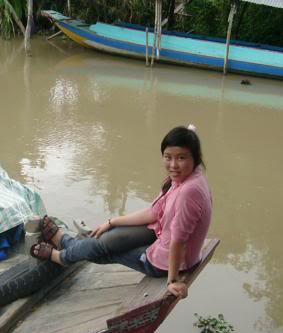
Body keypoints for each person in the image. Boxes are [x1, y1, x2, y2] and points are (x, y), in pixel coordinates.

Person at [27, 125, 212, 299]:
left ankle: (61, 256)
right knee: (106, 238)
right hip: (160, 231)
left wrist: (172, 280)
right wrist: (112, 222)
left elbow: (177, 241)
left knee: (102, 250)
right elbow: (154, 213)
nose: (173, 165)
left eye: (181, 157)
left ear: (194, 157)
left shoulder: (189, 191)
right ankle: (65, 241)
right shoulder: (187, 176)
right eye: (168, 156)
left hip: (165, 262)